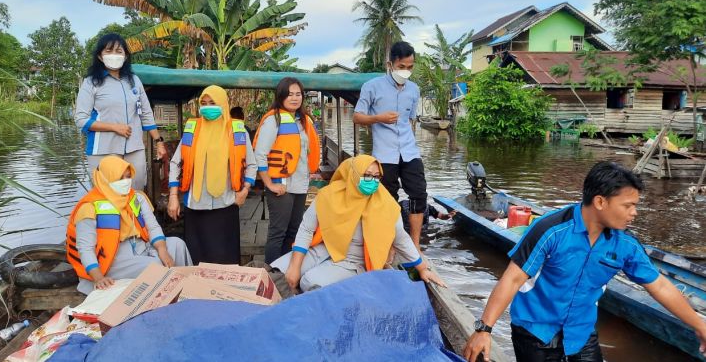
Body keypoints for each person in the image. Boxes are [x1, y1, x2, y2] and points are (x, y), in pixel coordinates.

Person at [463, 162, 706, 362]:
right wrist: (484, 329)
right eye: (628, 205)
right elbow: (512, 278)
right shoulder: (551, 230)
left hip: (581, 331)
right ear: (600, 202)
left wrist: (700, 326)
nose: (634, 213)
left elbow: (660, 286)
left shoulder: (625, 245)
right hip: (535, 330)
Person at [271, 155, 445, 292]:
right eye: (366, 175)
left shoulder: (386, 205)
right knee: (277, 271)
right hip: (323, 248)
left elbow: (401, 239)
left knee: (310, 282)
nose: (372, 181)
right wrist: (295, 267)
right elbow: (306, 229)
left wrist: (422, 268)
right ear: (353, 175)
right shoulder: (329, 195)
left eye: (377, 177)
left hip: (354, 260)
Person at [66, 156, 191, 295]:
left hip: (141, 245)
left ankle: (188, 290)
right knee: (155, 266)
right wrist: (98, 277)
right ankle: (167, 297)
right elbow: (85, 249)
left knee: (178, 245)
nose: (126, 182)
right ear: (106, 179)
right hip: (111, 259)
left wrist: (162, 249)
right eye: (120, 178)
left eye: (128, 177)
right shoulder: (89, 208)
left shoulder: (137, 197)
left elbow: (153, 227)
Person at [167, 85, 257, 265]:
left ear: (223, 104)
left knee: (225, 259)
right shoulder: (192, 129)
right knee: (198, 259)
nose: (208, 107)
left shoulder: (237, 130)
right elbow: (176, 162)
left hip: (227, 203)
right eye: (204, 103)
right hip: (196, 206)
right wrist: (173, 197)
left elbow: (252, 164)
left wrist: (245, 190)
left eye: (213, 103)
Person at [353, 41, 428, 249]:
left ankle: (414, 246)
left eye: (410, 67)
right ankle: (390, 244)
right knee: (387, 199)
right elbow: (357, 117)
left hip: (409, 151)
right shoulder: (372, 86)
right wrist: (378, 118)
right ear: (390, 64)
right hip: (384, 154)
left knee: (418, 196)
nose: (406, 71)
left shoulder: (414, 90)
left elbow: (410, 119)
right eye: (402, 67)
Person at [75, 33, 167, 191]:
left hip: (134, 147)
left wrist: (159, 142)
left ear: (125, 56)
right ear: (99, 56)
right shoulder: (92, 83)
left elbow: (145, 113)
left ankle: (136, 217)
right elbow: (81, 119)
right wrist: (114, 127)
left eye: (119, 51)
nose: (114, 55)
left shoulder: (134, 81)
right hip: (103, 150)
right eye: (109, 51)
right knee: (106, 196)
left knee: (136, 190)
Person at [253, 77, 320, 264]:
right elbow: (260, 154)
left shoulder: (303, 121)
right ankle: (273, 274)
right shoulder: (273, 120)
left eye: (298, 94)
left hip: (300, 184)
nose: (294, 98)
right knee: (278, 232)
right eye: (290, 94)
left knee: (294, 231)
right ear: (281, 95)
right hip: (280, 184)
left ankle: (286, 270)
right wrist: (268, 183)